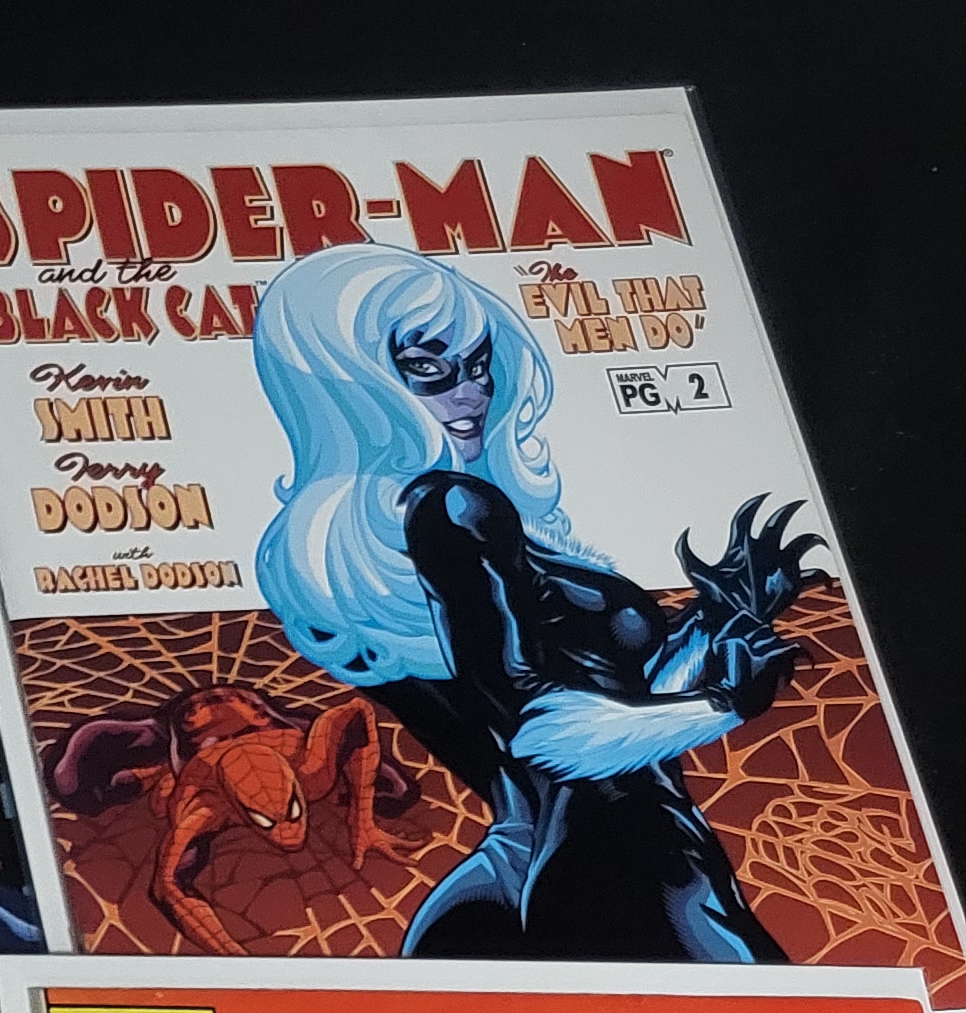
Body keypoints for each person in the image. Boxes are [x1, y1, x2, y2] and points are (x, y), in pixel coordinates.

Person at [252, 240, 815, 963]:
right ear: (351, 382)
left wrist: (722, 618)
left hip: (509, 874)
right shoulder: (454, 507)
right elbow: (543, 731)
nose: (472, 393)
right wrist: (722, 704)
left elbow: (588, 699)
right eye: (428, 368)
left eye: (479, 363)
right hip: (630, 856)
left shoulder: (369, 544)